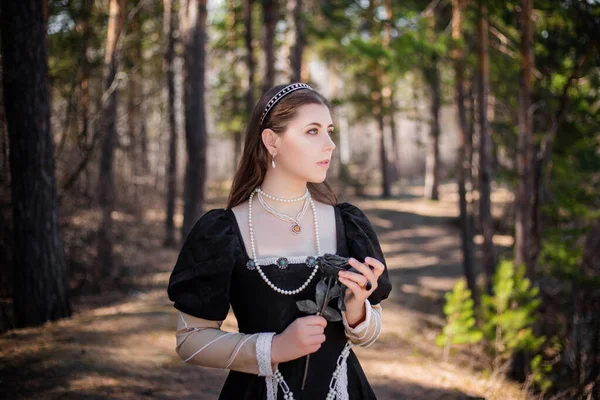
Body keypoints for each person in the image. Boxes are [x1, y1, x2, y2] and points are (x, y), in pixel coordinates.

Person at [167, 83, 392, 400]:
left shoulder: (348, 223)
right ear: (272, 141)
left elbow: (372, 328)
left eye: (329, 131)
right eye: (312, 131)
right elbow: (190, 341)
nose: (329, 145)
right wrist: (273, 348)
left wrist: (357, 312)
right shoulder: (223, 231)